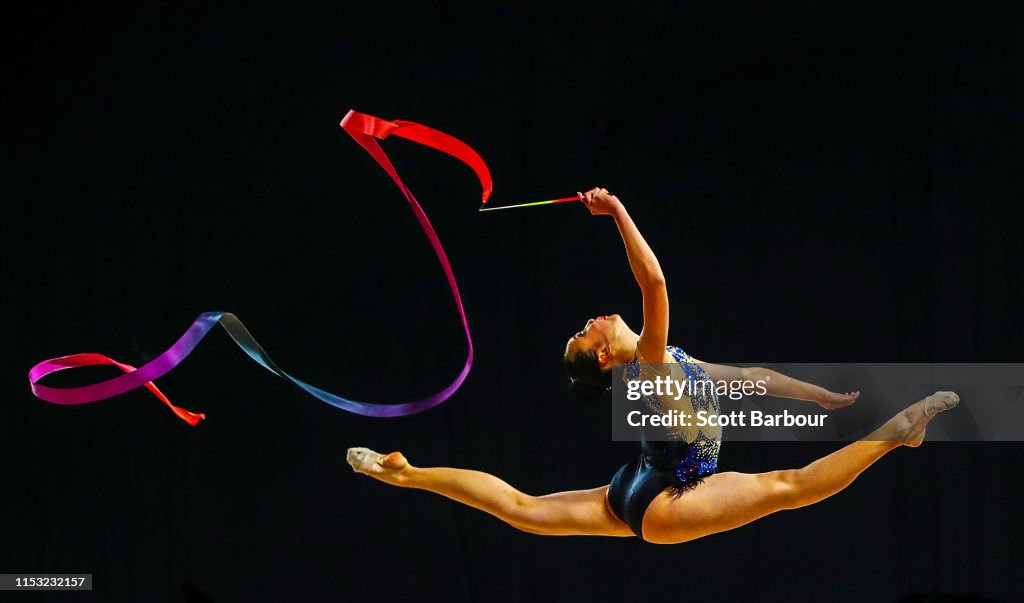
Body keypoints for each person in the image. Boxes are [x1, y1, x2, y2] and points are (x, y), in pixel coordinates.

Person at [346, 188, 959, 544]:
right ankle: (895, 435)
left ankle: (408, 472)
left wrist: (815, 397)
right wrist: (616, 212)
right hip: (669, 499)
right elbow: (655, 281)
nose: (592, 320)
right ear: (608, 355)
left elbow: (752, 380)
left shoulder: (670, 362)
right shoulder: (651, 366)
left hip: (636, 481)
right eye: (587, 333)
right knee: (787, 488)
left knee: (524, 509)